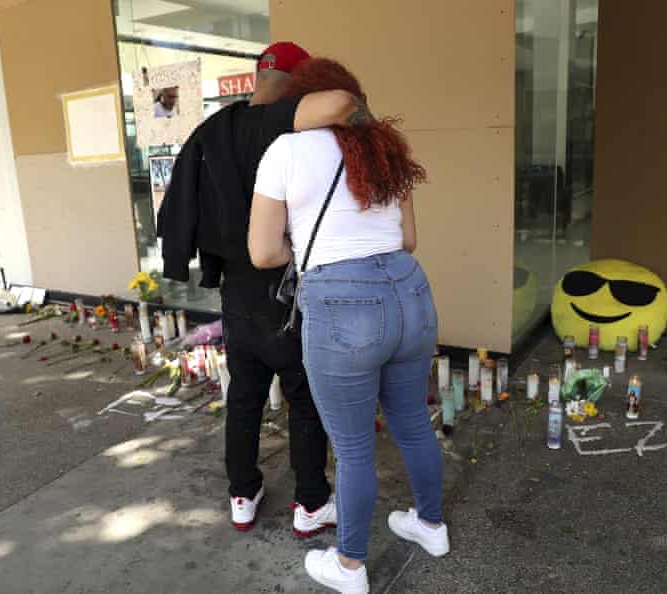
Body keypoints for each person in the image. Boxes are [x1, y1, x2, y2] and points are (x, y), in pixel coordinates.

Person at [248, 58, 449, 594]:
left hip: (342, 302)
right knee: (414, 422)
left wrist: (309, 250)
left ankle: (350, 566)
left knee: (355, 447)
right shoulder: (387, 149)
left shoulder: (285, 151)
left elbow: (263, 252)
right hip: (410, 290)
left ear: (304, 100)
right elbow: (408, 240)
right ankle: (431, 526)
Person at [157, 43, 372, 538]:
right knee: (304, 396)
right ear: (298, 82)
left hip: (236, 292)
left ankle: (242, 494)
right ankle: (311, 501)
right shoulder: (280, 122)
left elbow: (182, 207)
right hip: (286, 289)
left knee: (244, 395)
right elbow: (341, 104)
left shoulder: (213, 129)